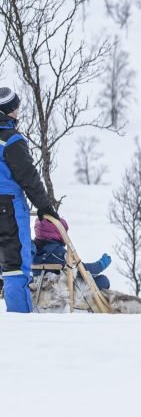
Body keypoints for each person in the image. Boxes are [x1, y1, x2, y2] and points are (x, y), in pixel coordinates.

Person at [0, 87, 60, 313]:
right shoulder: (10, 139)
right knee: (14, 266)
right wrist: (45, 207)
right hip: (7, 207)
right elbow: (28, 177)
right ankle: (21, 323)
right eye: (15, 108)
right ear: (8, 111)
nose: (18, 112)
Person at [32, 217, 112, 290]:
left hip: (40, 288)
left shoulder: (32, 250)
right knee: (103, 280)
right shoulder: (57, 253)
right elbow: (82, 270)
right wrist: (100, 265)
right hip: (63, 290)